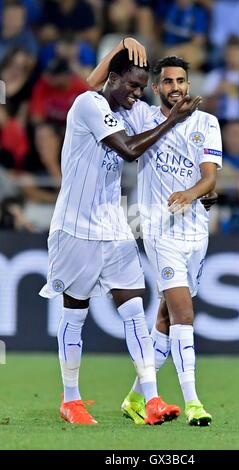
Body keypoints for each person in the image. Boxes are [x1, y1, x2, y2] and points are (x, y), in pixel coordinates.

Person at [39, 45, 201, 425]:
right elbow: (128, 151)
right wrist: (171, 121)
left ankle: (152, 399)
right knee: (75, 313)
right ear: (112, 79)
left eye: (142, 88)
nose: (136, 94)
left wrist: (172, 110)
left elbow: (145, 114)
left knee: (132, 310)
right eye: (130, 86)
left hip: (114, 226)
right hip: (75, 228)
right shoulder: (88, 106)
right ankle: (71, 399)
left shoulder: (130, 109)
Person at [87, 40, 222, 426]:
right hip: (159, 231)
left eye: (181, 80)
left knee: (164, 318)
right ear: (156, 87)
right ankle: (194, 402)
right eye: (168, 81)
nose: (176, 86)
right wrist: (117, 48)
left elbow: (210, 177)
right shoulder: (141, 116)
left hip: (196, 232)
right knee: (184, 312)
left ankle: (134, 397)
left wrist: (192, 193)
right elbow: (93, 90)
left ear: (188, 83)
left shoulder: (206, 123)